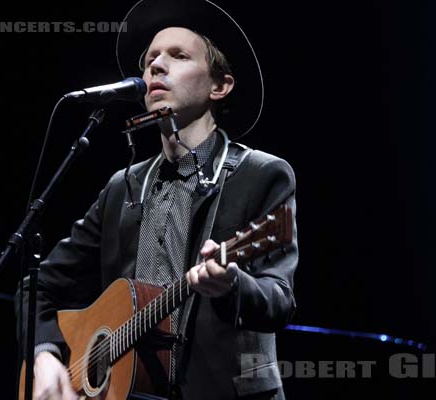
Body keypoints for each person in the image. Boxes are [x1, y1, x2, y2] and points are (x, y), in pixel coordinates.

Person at [18, 1, 298, 399]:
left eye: (178, 55)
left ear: (219, 86)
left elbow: (279, 300)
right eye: (150, 59)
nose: (156, 66)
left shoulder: (261, 175)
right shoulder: (124, 186)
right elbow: (39, 286)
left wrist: (232, 284)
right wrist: (44, 354)